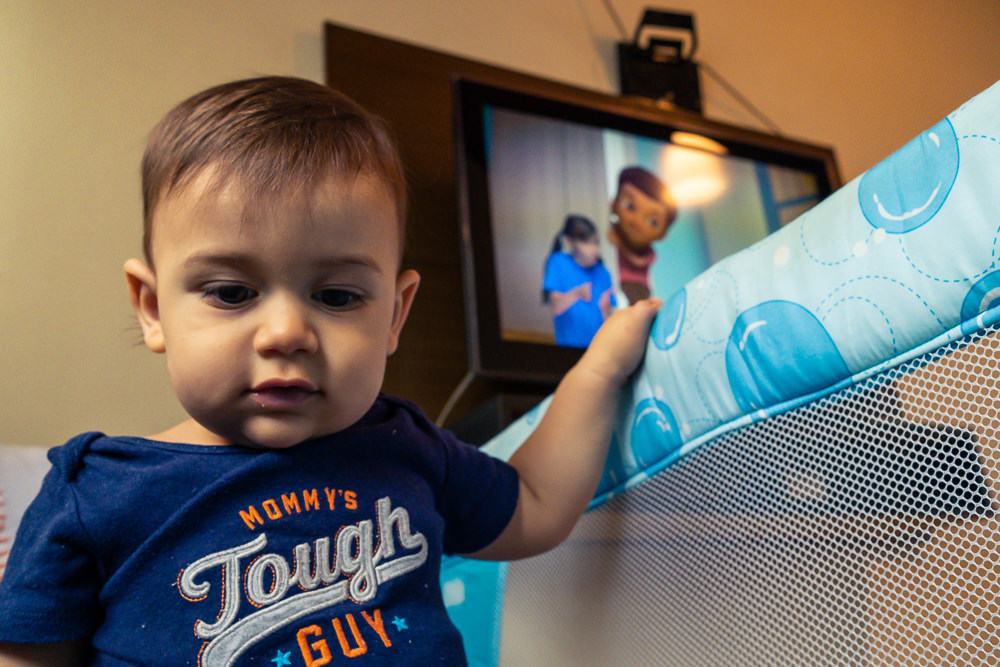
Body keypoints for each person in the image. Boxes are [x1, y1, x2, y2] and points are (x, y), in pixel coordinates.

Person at [0, 77, 661, 666]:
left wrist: (598, 371)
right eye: (231, 292)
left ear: (394, 313)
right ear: (152, 308)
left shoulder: (404, 446)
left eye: (338, 296)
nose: (287, 332)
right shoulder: (95, 493)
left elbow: (537, 505)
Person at [542, 214, 616, 348]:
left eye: (596, 242)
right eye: (586, 242)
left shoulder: (603, 272)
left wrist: (606, 310)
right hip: (569, 346)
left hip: (598, 347)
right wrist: (577, 293)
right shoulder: (558, 262)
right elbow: (555, 307)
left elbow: (608, 322)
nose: (594, 249)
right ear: (570, 241)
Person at [607, 166, 678, 304]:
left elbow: (638, 261)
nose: (637, 222)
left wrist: (620, 244)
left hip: (636, 286)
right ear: (613, 204)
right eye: (629, 206)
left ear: (663, 235)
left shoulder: (646, 253)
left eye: (653, 221)